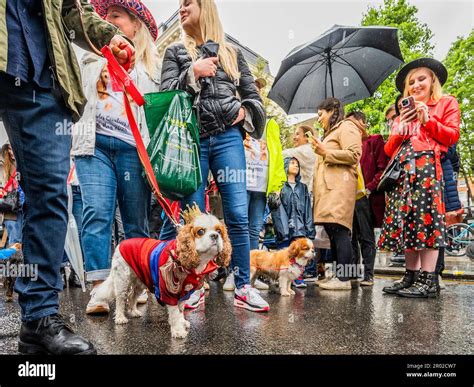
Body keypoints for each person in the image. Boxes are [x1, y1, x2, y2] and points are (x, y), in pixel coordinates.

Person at [0, 0, 135, 355]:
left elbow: (71, 10)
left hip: (41, 73)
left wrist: (109, 37)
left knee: (50, 195)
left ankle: (39, 319)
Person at [159, 0, 269, 312]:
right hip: (191, 141)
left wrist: (245, 112)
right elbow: (165, 95)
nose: (181, 9)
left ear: (205, 7)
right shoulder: (176, 53)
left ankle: (244, 285)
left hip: (228, 139)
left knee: (237, 213)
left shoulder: (231, 53)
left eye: (187, 3)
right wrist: (191, 73)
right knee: (193, 219)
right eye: (178, 5)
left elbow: (253, 95)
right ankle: (193, 286)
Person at [72, 0, 160, 315]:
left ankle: (135, 285)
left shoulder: (152, 68)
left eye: (116, 16)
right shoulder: (88, 56)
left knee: (136, 222)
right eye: (104, 17)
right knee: (96, 212)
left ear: (136, 24)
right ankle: (99, 288)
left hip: (133, 150)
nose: (108, 21)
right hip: (92, 145)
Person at [379, 58, 460, 298]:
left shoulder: (446, 103)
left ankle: (429, 279)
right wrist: (401, 125)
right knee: (409, 223)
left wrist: (428, 120)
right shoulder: (401, 114)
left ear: (432, 80)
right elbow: (388, 149)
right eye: (411, 82)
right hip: (404, 171)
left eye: (421, 79)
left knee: (427, 223)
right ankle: (411, 275)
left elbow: (451, 136)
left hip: (428, 168)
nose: (415, 85)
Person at [236, 77, 286, 291]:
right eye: (252, 91)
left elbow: (277, 156)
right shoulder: (237, 118)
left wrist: (276, 186)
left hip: (261, 186)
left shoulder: (271, 124)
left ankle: (249, 274)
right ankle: (235, 272)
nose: (256, 95)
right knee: (238, 226)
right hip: (239, 181)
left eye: (258, 92)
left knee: (255, 229)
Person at [310, 98, 362, 291]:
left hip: (340, 189)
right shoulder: (330, 133)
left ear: (332, 111)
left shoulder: (347, 127)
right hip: (329, 190)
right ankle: (339, 276)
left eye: (321, 114)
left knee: (340, 230)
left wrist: (325, 151)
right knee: (333, 230)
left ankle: (343, 279)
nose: (319, 119)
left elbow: (354, 155)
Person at [346, 111, 389, 286]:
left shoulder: (374, 141)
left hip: (366, 196)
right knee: (351, 237)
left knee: (366, 235)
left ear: (363, 123)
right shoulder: (348, 146)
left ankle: (368, 274)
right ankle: (353, 273)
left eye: (352, 123)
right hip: (350, 197)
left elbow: (382, 169)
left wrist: (369, 188)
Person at [271, 157, 315, 288]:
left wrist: (309, 229)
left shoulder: (303, 188)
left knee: (300, 254)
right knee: (284, 254)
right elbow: (276, 209)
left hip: (300, 226)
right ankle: (281, 278)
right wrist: (281, 229)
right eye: (292, 163)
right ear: (285, 166)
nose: (296, 165)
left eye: (297, 163)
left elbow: (307, 208)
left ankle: (298, 277)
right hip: (284, 227)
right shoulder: (280, 186)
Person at [0, 144, 24, 247]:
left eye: (12, 148)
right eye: (9, 148)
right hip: (11, 206)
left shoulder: (25, 164)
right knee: (15, 239)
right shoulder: (3, 166)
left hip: (24, 205)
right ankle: (14, 262)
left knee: (25, 238)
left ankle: (23, 261)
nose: (11, 151)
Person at [282, 125, 317, 192]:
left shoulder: (305, 150)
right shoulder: (311, 149)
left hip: (305, 193)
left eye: (297, 134)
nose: (294, 138)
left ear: (306, 137)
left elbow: (282, 154)